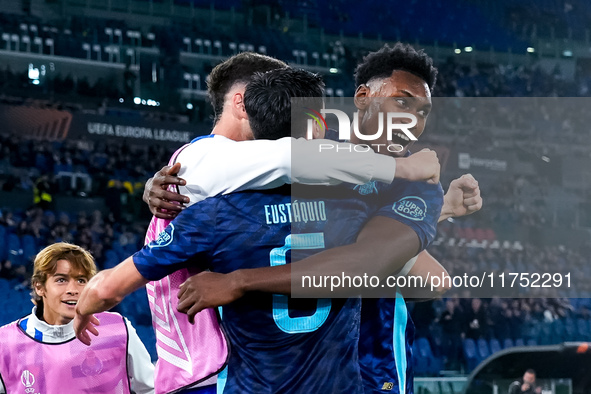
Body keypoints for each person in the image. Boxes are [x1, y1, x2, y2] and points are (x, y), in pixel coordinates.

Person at [74, 67, 443, 393]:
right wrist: (410, 184)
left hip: (231, 378)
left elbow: (107, 287)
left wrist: (85, 308)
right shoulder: (355, 205)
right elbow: (428, 279)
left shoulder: (211, 211)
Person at [173, 43, 482, 394]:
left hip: (367, 371)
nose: (413, 120)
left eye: (423, 111)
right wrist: (158, 185)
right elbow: (217, 158)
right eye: (402, 101)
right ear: (363, 97)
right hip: (275, 371)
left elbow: (373, 266)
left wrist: (238, 281)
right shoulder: (302, 151)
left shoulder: (417, 183)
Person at [0, 242, 154, 394]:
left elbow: (153, 389)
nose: (73, 290)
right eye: (61, 280)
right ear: (39, 287)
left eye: (81, 281)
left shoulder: (118, 328)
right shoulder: (5, 341)